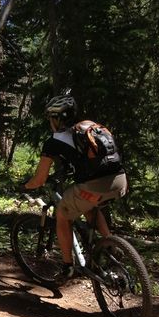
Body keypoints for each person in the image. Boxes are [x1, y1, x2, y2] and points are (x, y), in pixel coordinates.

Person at [22, 92, 128, 280]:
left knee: (63, 214)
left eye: (50, 118)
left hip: (95, 186)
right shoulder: (88, 127)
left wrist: (26, 186)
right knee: (89, 207)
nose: (50, 122)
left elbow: (39, 179)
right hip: (120, 181)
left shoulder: (54, 141)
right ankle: (111, 248)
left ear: (57, 118)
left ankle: (67, 267)